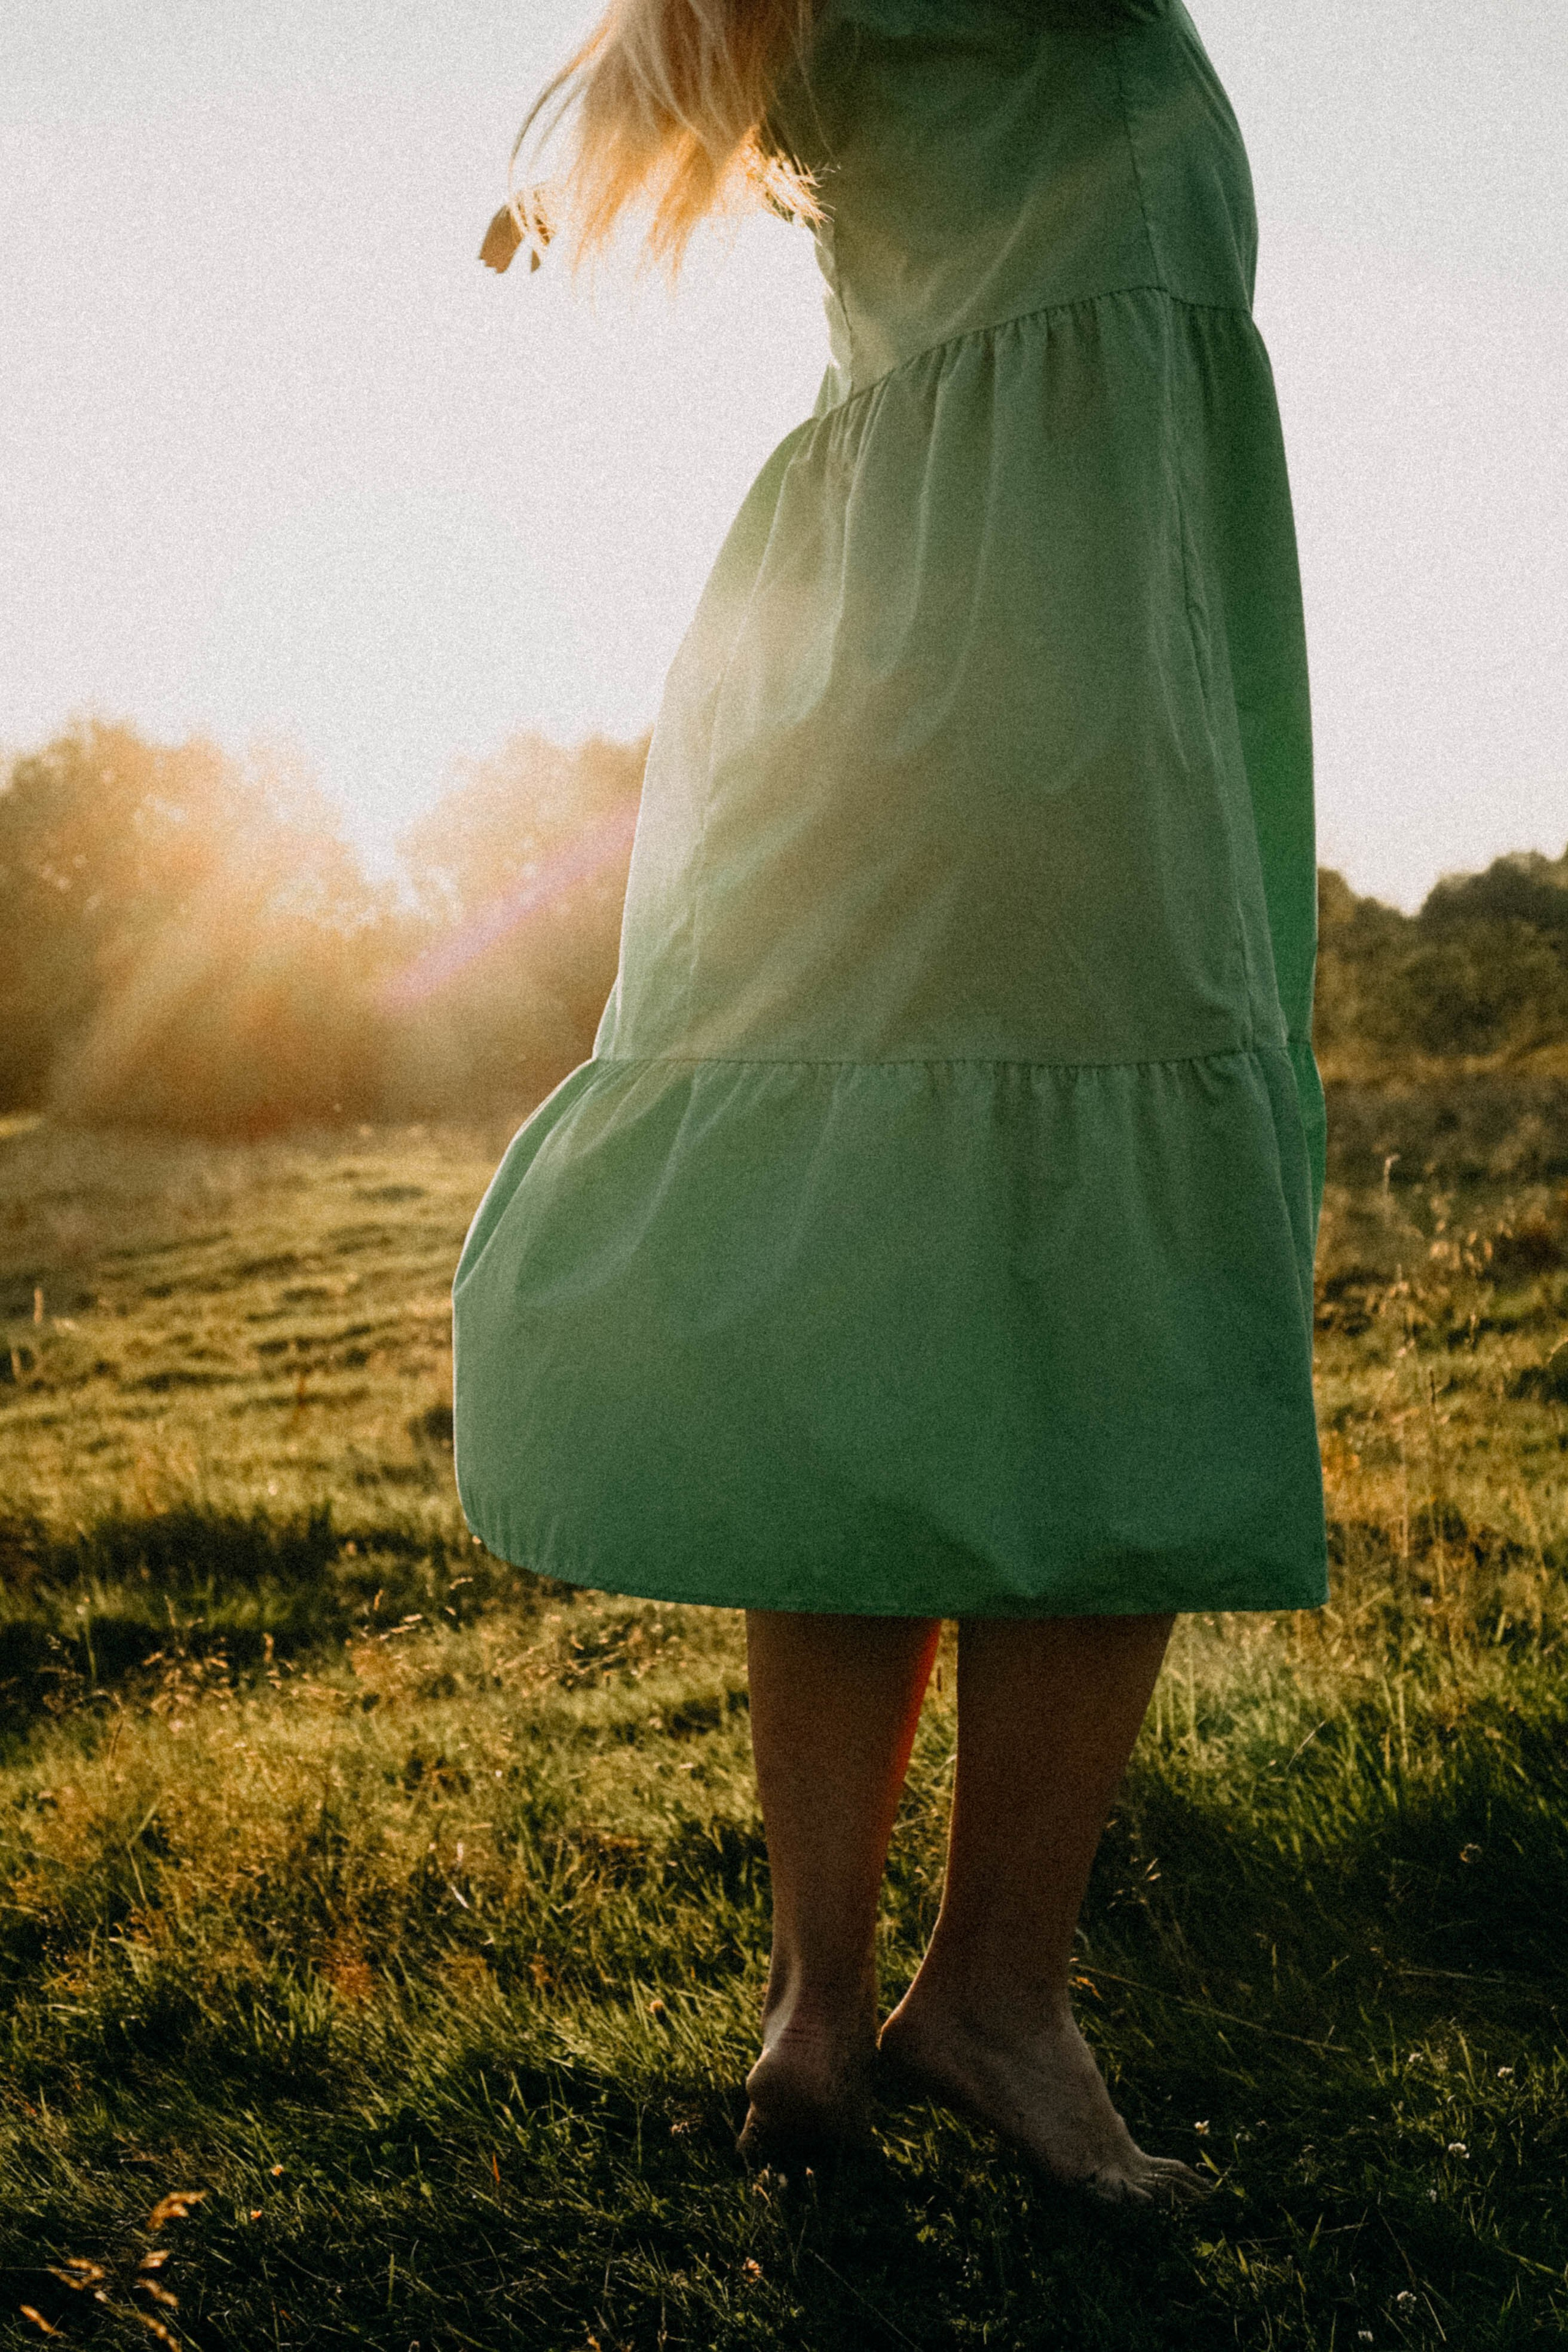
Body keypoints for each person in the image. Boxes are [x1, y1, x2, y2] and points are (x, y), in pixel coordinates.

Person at [458, 0, 1325, 2203]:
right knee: (1103, 1291)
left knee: (876, 1292)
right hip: (1057, 634)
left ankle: (821, 2014)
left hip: (869, 641)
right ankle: (998, 2003)